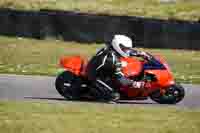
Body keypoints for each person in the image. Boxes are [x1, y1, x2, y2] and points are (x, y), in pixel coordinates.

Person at [86, 34, 151, 102]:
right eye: (125, 48)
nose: (127, 51)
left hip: (104, 70)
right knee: (114, 96)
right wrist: (135, 83)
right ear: (118, 46)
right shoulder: (112, 59)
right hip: (96, 76)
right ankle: (92, 92)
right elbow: (120, 79)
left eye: (127, 48)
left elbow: (128, 52)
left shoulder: (112, 49)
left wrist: (141, 53)